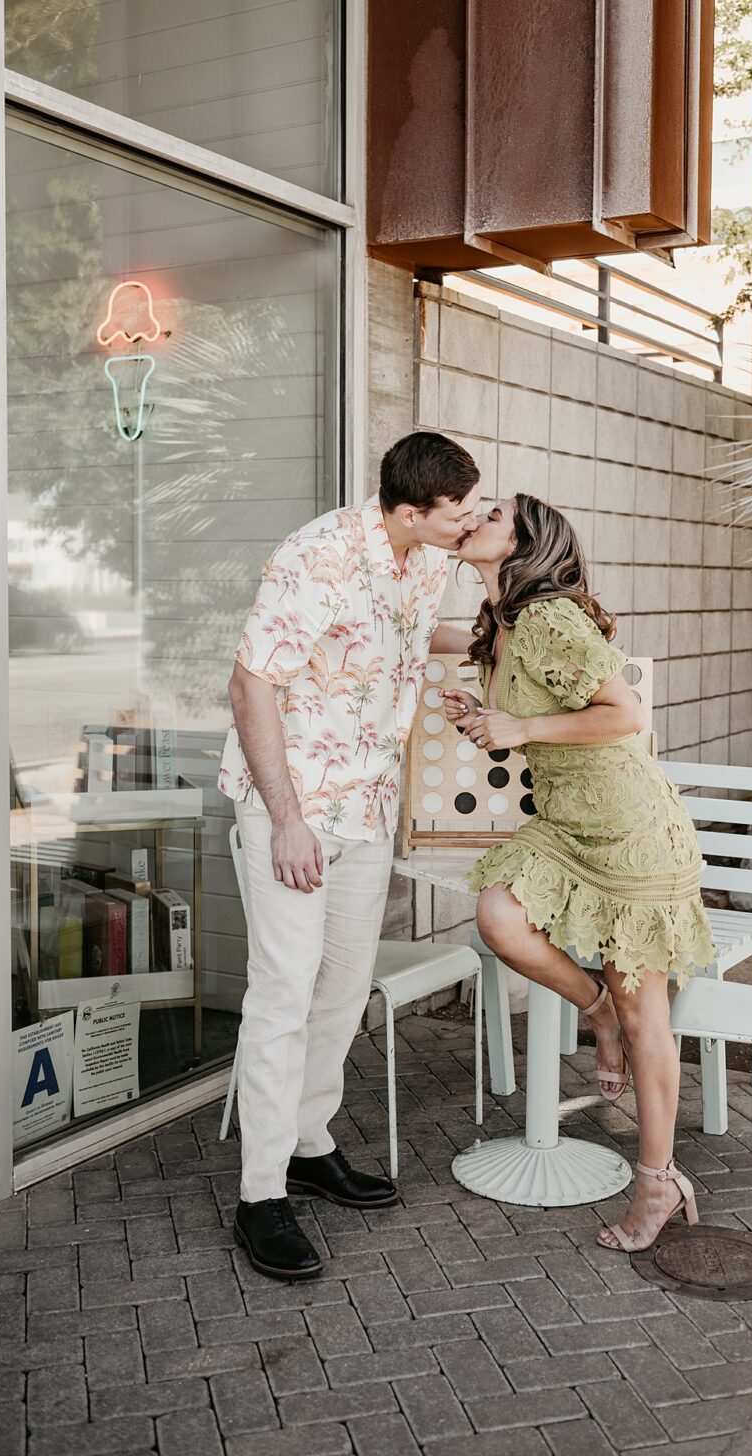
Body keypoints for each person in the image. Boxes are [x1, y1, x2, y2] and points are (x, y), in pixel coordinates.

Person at [219, 432, 480, 1280]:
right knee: (284, 995)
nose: (469, 522)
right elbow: (251, 679)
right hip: (292, 811)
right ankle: (260, 1196)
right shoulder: (318, 557)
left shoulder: (425, 557)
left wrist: (481, 641)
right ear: (411, 512)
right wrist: (287, 818)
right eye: (458, 513)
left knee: (340, 989)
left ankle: (306, 1144)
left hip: (366, 808)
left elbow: (405, 632)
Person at [441, 494, 714, 1252]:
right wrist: (480, 711)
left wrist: (519, 726)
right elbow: (518, 710)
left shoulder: (551, 617)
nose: (474, 517)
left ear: (524, 543)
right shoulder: (501, 626)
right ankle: (593, 1009)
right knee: (499, 916)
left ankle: (657, 1182)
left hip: (629, 831)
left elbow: (624, 714)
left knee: (645, 1012)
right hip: (567, 824)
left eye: (491, 512)